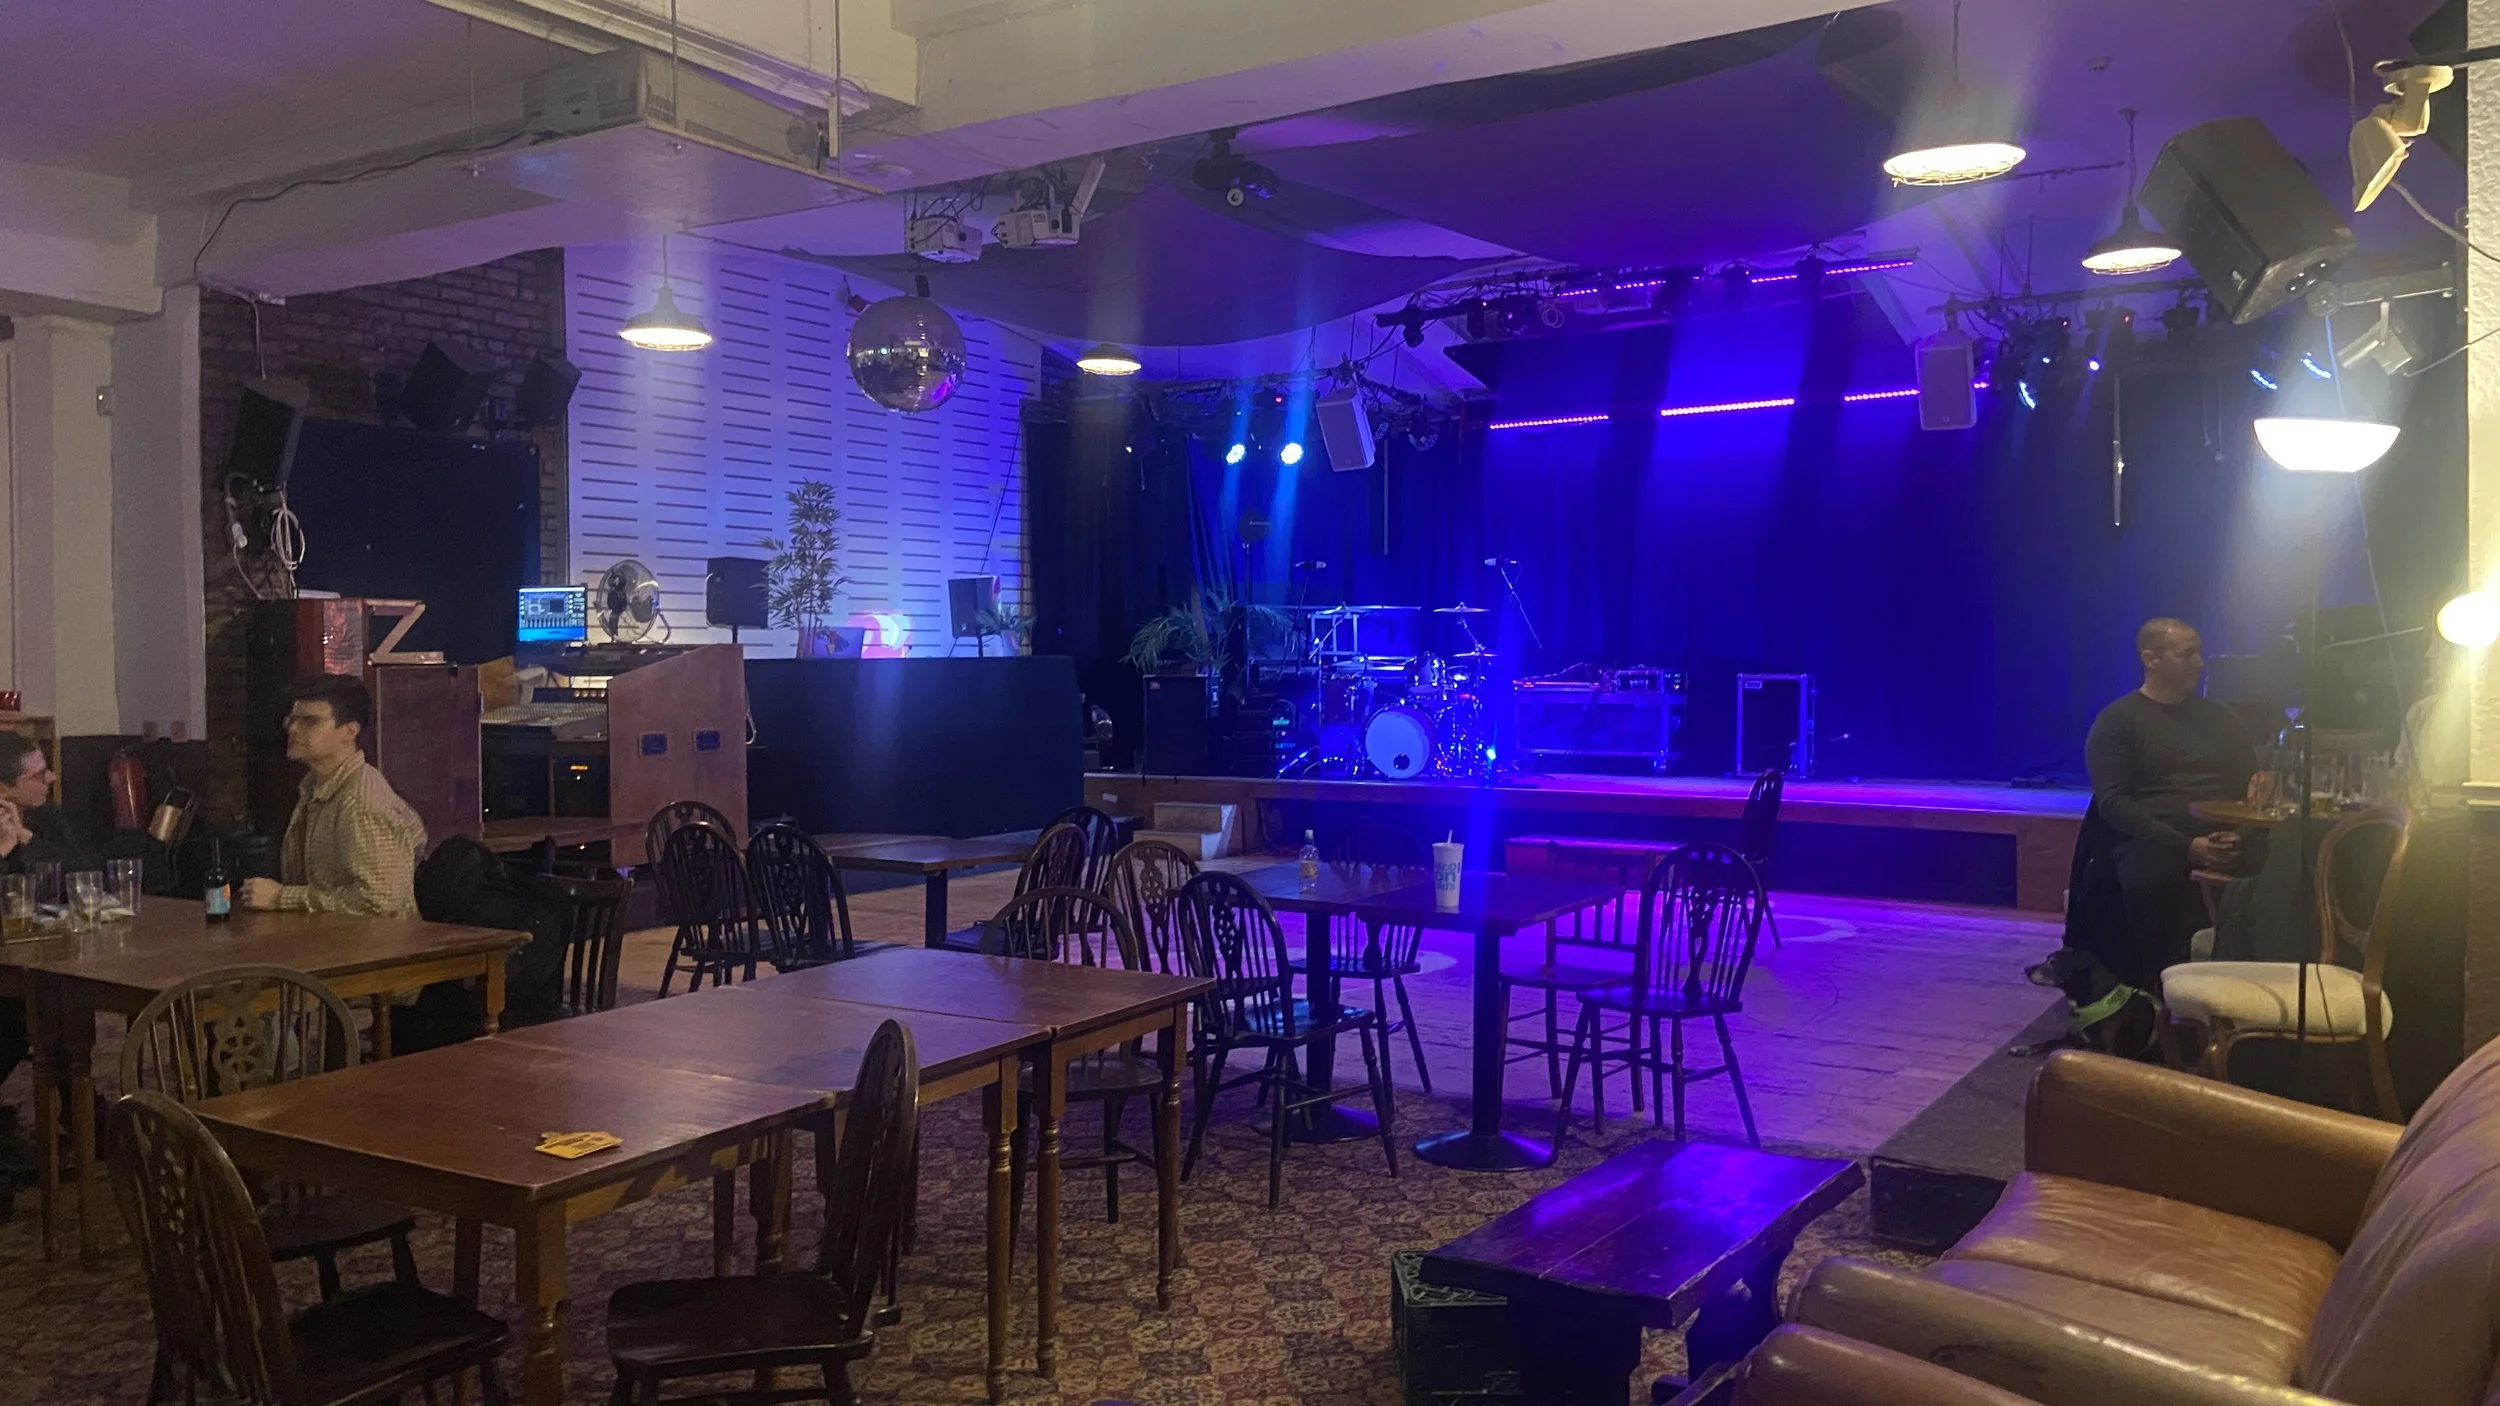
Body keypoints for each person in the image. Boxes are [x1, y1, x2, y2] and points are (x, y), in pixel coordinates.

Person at [2084, 618, 2254, 983]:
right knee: (2154, 882)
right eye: (2186, 654)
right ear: (2151, 659)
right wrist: (2187, 846)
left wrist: (2241, 833)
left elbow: (2251, 785)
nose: (2199, 662)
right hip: (2156, 840)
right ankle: (2163, 1004)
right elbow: (2113, 803)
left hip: (2226, 837)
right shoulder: (2118, 721)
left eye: (2199, 652)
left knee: (2285, 873)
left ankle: (2250, 995)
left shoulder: (2222, 719)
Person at [240, 675, 427, 917]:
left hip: (376, 948)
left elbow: (381, 899)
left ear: (349, 731)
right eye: (292, 719)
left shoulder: (359, 801)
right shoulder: (317, 786)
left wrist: (280, 897)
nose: (293, 728)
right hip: (338, 942)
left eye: (310, 721)